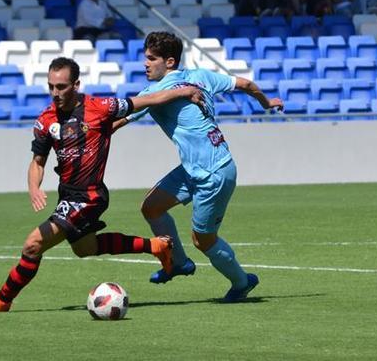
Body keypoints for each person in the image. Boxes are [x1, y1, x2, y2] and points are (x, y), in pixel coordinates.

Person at [0, 57, 209, 313]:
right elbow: (37, 161)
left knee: (33, 244)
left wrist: (186, 91)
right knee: (84, 248)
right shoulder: (46, 120)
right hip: (67, 196)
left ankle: (1, 301)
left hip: (88, 197)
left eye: (61, 87)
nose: (55, 93)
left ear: (76, 84)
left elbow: (145, 101)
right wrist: (34, 187)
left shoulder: (100, 106)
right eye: (51, 87)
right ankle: (156, 246)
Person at [114, 32, 284, 302]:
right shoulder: (201, 75)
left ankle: (241, 282)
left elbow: (117, 122)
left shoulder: (155, 93)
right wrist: (267, 103)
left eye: (151, 58)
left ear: (169, 62)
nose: (145, 64)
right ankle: (178, 263)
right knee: (151, 207)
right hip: (195, 169)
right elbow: (247, 84)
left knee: (203, 240)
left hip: (214, 174)